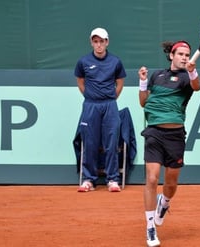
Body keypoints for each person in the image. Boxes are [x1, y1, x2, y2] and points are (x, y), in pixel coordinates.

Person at [138, 40, 200, 247]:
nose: (184, 57)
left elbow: (196, 87)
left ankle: (164, 203)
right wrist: (143, 82)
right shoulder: (157, 75)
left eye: (187, 54)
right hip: (154, 132)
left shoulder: (185, 78)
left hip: (175, 136)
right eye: (181, 54)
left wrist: (192, 72)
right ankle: (150, 228)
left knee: (171, 183)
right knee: (152, 179)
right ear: (171, 55)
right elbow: (143, 102)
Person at [74, 27, 126, 192]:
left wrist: (109, 99)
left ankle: (112, 179)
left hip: (110, 105)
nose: (98, 45)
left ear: (107, 42)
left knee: (111, 142)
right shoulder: (83, 62)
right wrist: (91, 97)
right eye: (95, 41)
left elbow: (119, 83)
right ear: (92, 43)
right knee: (90, 142)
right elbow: (81, 82)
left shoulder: (115, 61)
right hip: (90, 105)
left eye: (101, 41)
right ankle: (89, 179)